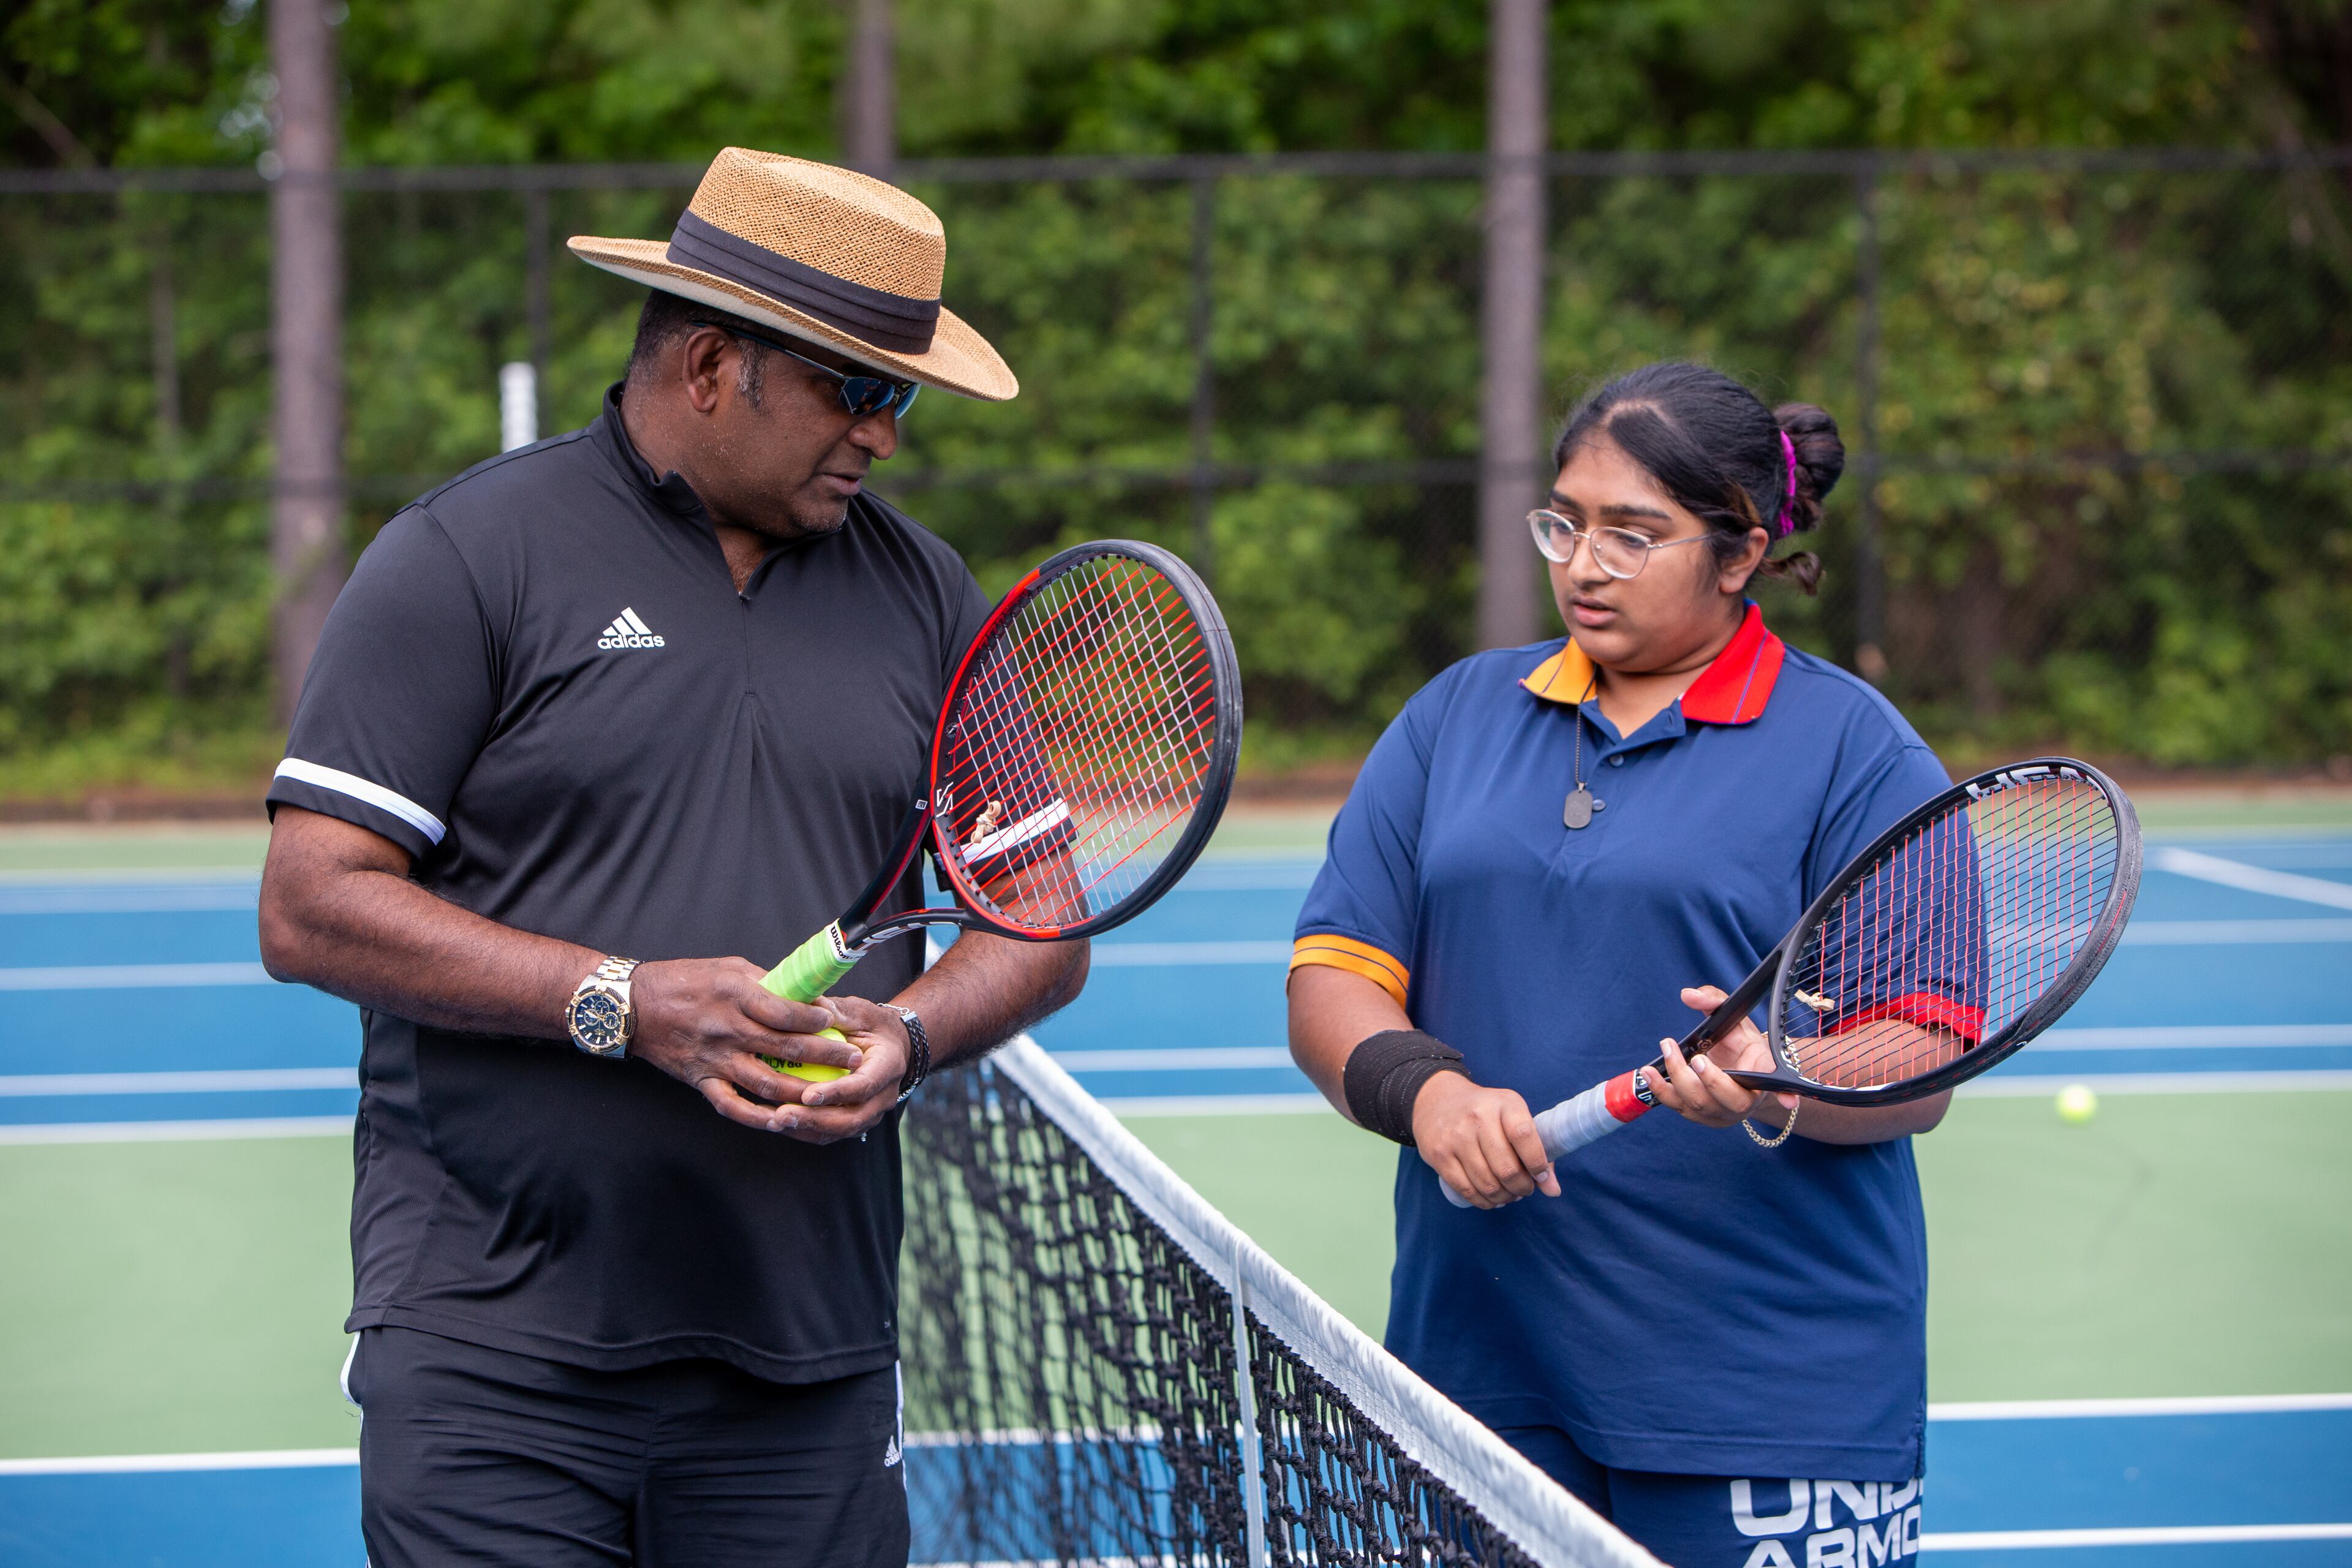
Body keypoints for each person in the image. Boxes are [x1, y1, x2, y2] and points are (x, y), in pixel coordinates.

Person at [257, 148, 1087, 1567]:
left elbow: (1043, 920)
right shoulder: (466, 556)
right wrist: (621, 999)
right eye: (860, 390)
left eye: (902, 397)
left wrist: (910, 1027)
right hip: (492, 1353)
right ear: (713, 365)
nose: (886, 436)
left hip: (808, 1358)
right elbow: (311, 904)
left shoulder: (929, 594)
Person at [1286, 363, 1948, 1568]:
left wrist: (1779, 1075)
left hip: (1763, 1400)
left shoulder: (1860, 751)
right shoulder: (1455, 718)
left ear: (1741, 554)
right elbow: (1331, 979)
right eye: (1567, 521)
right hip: (1478, 1379)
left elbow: (1923, 1049)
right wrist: (1426, 1089)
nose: (1585, 562)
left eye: (1633, 535)